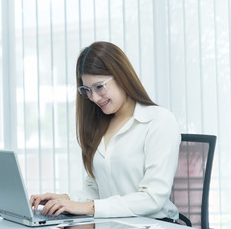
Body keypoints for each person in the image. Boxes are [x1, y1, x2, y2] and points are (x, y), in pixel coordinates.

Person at [29, 41, 181, 223]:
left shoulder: (159, 121)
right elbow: (95, 190)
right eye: (87, 91)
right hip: (115, 223)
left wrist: (88, 207)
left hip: (155, 224)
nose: (93, 98)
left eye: (99, 87)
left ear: (121, 76)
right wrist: (64, 200)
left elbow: (153, 198)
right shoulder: (101, 125)